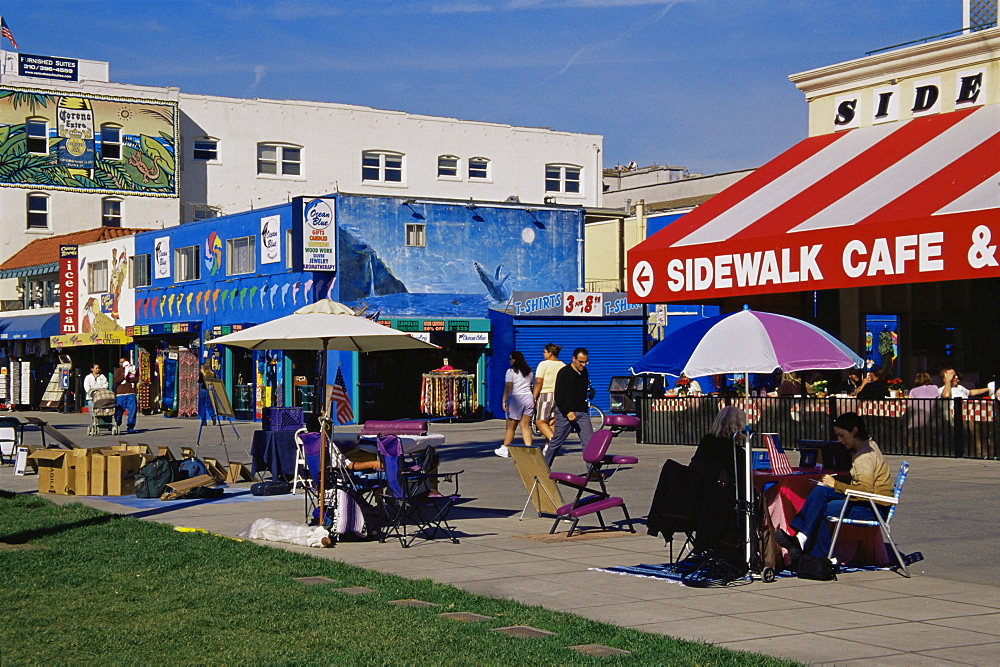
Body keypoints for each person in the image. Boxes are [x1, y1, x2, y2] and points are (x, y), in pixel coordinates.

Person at [775, 412, 892, 562]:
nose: (840, 440)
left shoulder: (864, 457)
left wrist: (835, 484)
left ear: (854, 431)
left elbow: (865, 491)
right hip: (869, 503)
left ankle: (819, 554)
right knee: (821, 492)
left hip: (873, 508)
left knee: (821, 505)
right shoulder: (866, 446)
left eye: (842, 435)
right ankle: (804, 541)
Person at [689, 406, 747, 555]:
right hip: (718, 506)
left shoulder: (706, 443)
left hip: (695, 499)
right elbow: (742, 482)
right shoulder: (734, 452)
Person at [543, 347, 593, 466]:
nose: (583, 365)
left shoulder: (584, 372)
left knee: (590, 442)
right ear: (573, 359)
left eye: (586, 362)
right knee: (556, 442)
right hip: (565, 412)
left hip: (581, 412)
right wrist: (567, 412)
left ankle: (592, 471)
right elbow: (559, 395)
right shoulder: (564, 373)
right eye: (581, 362)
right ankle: (544, 468)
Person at [495, 351, 534, 458]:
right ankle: (529, 448)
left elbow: (508, 386)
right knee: (525, 426)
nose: (509, 361)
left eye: (510, 359)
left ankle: (505, 448)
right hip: (528, 397)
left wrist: (504, 400)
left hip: (516, 398)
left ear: (515, 360)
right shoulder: (529, 371)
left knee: (511, 426)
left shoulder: (511, 372)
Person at [532, 343, 564, 448]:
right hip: (559, 395)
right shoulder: (563, 365)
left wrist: (534, 396)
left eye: (544, 352)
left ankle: (554, 441)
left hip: (546, 394)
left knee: (540, 421)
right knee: (551, 422)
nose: (543, 354)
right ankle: (548, 446)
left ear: (550, 353)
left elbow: (538, 382)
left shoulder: (543, 364)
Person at [113, 357, 139, 433]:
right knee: (119, 410)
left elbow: (136, 379)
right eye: (120, 362)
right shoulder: (118, 371)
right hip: (121, 394)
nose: (122, 363)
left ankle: (130, 426)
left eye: (123, 362)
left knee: (132, 410)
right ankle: (117, 423)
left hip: (131, 393)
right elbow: (116, 381)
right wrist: (124, 375)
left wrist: (128, 378)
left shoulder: (133, 370)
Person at [198, 362, 217, 426]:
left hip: (203, 390)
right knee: (209, 405)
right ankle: (213, 416)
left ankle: (204, 422)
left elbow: (200, 381)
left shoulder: (202, 374)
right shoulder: (213, 374)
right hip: (210, 390)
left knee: (202, 406)